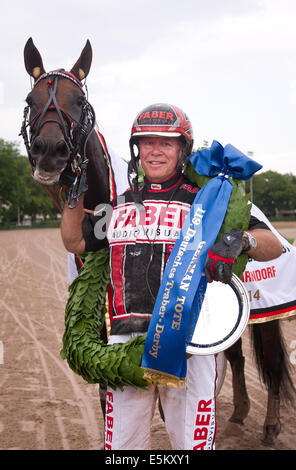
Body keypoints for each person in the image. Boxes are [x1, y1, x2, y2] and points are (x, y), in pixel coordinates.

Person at [61, 103, 283, 450]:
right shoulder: (117, 205)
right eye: (147, 143)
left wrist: (243, 240)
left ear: (182, 150)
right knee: (122, 448)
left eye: (166, 143)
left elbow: (274, 245)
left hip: (189, 346)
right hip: (124, 345)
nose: (155, 151)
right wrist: (72, 190)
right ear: (137, 151)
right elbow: (74, 240)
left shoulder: (208, 203)